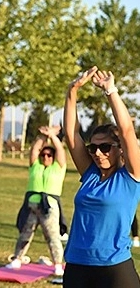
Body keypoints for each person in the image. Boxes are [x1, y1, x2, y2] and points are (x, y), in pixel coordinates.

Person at [63, 66, 140, 288]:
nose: (98, 153)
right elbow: (71, 134)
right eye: (93, 148)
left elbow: (126, 131)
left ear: (120, 149)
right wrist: (72, 91)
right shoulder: (90, 175)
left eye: (105, 147)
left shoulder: (131, 176)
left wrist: (110, 91)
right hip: (77, 265)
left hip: (114, 267)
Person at [6, 126, 67, 276]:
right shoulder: (36, 167)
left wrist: (52, 136)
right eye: (43, 155)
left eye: (49, 155)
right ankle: (17, 259)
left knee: (52, 237)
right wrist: (42, 135)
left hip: (49, 207)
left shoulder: (57, 168)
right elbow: (34, 150)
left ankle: (58, 264)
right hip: (31, 205)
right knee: (25, 234)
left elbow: (60, 151)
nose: (46, 157)